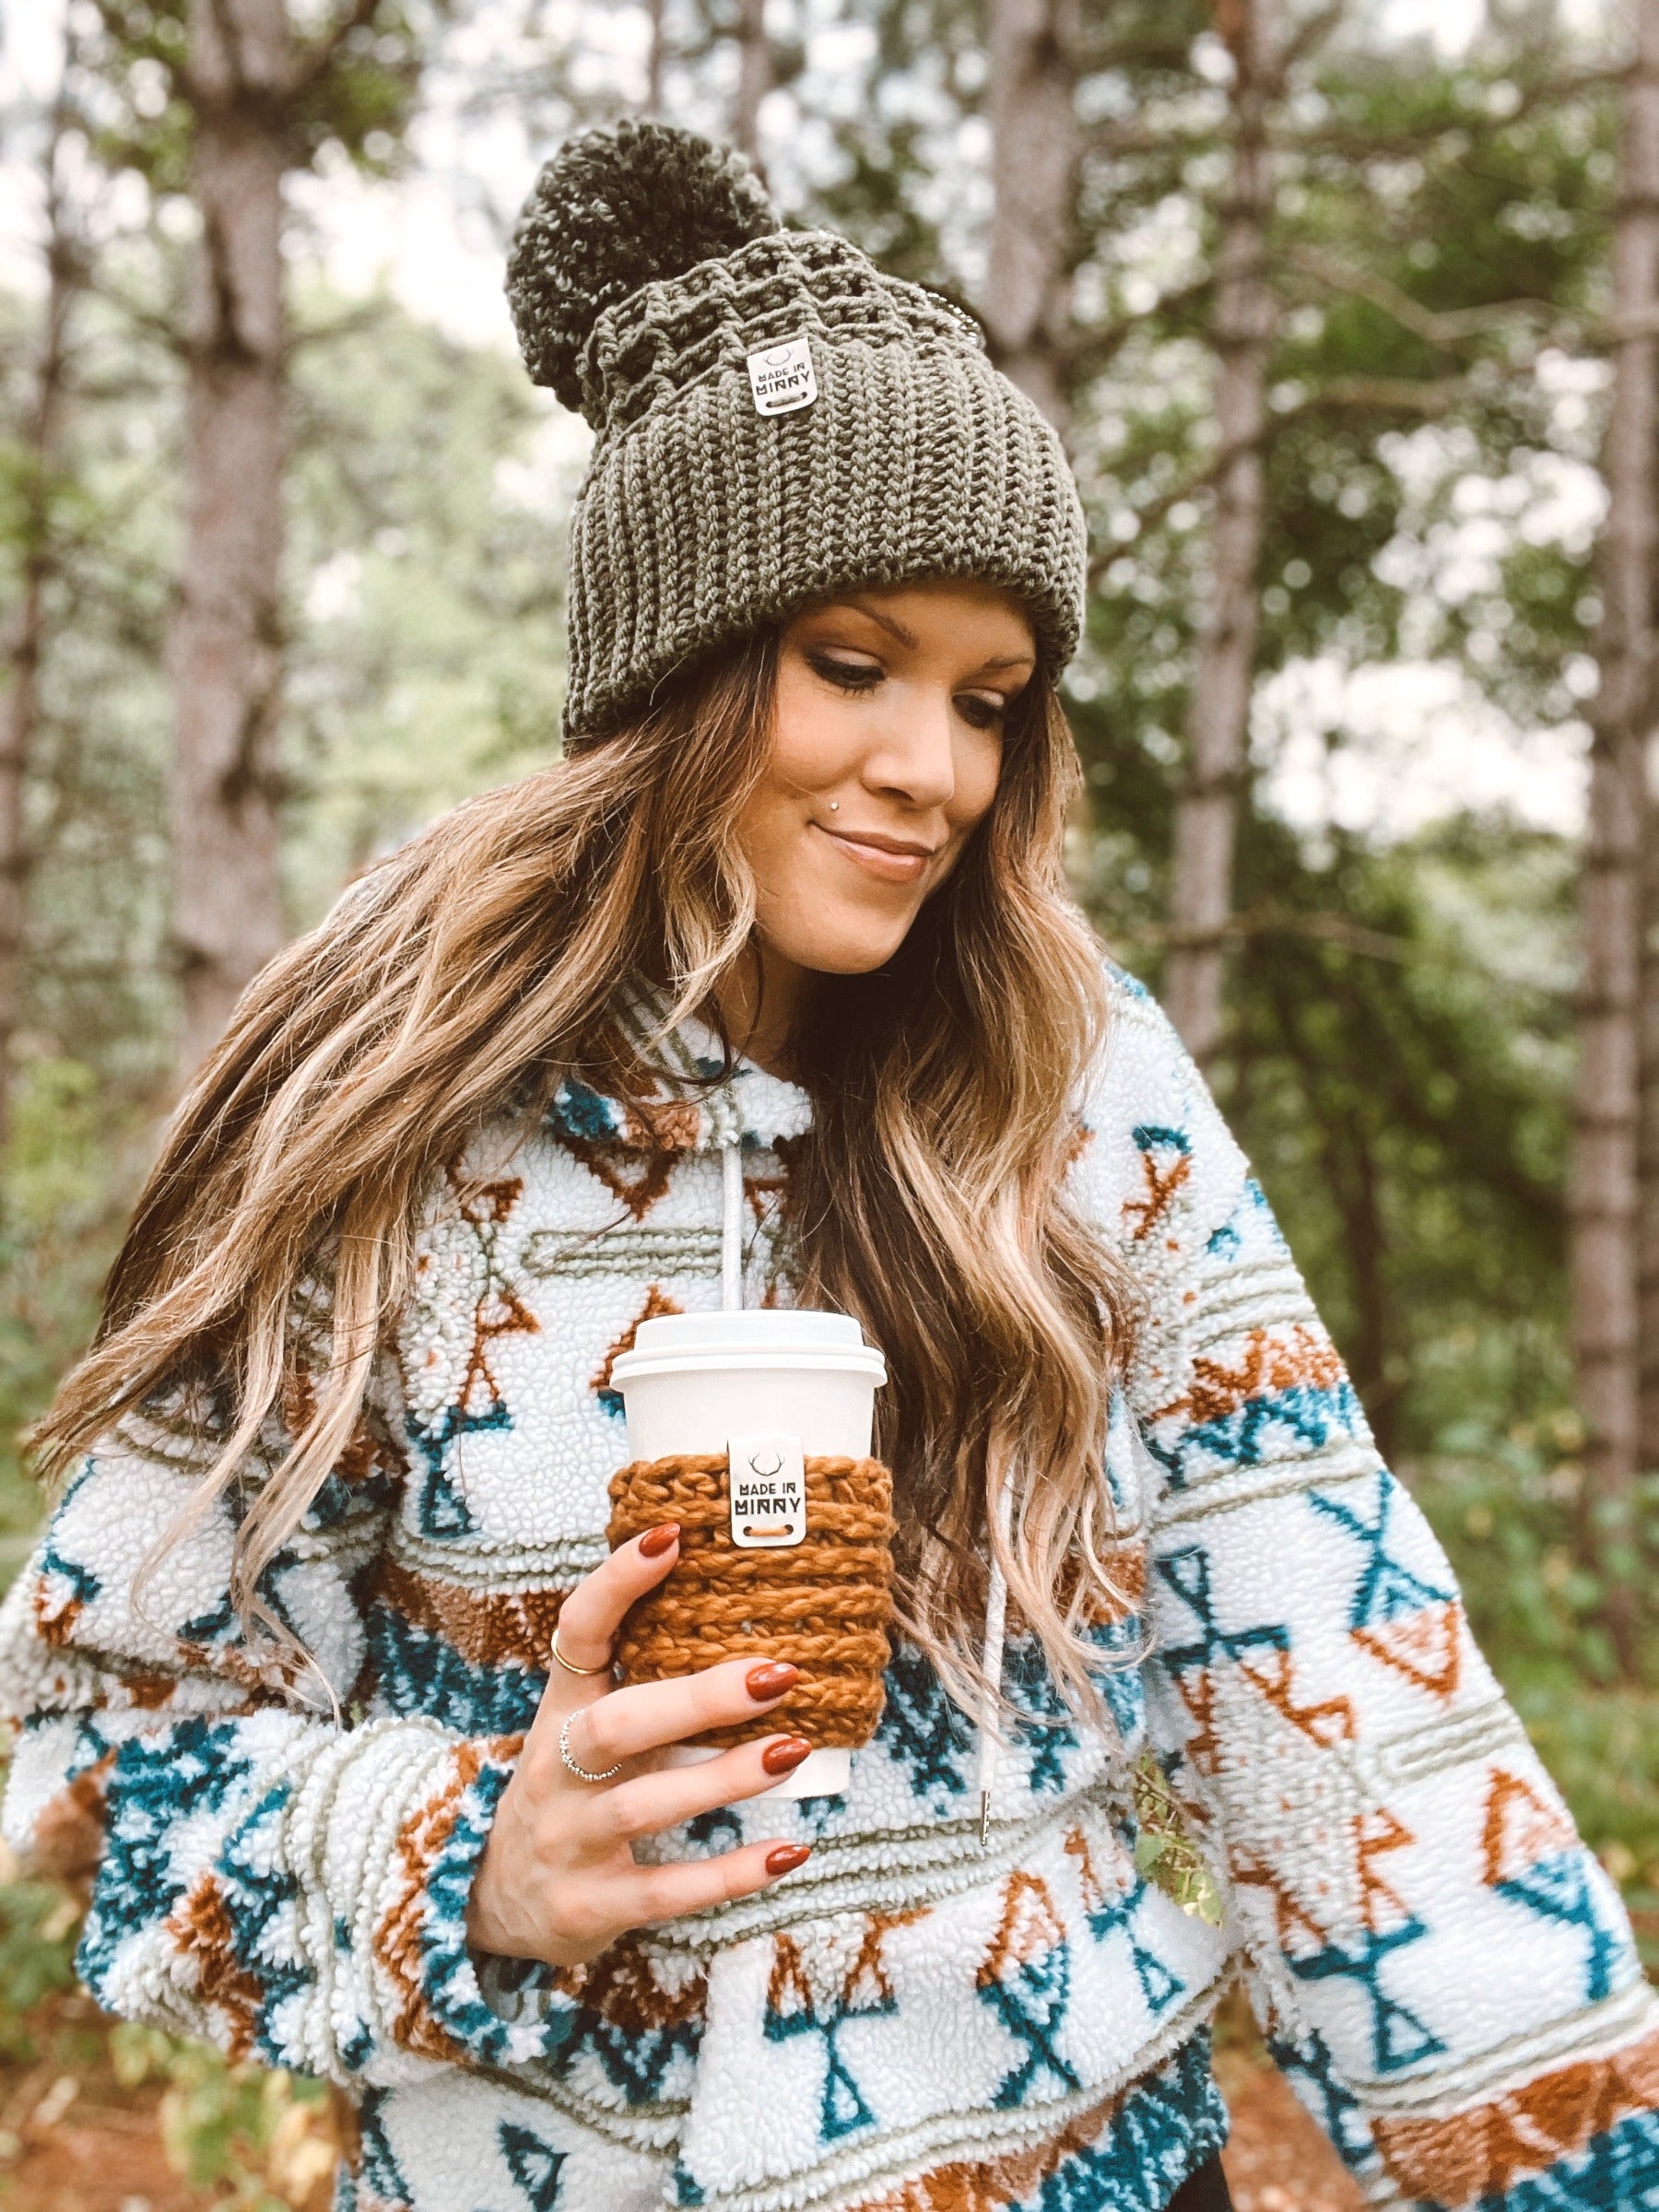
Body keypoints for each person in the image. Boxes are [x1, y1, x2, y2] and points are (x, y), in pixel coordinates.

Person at [0, 117, 1653, 2212]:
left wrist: (1580, 2170)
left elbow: (1334, 1679)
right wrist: (473, 1861)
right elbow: (99, 1750)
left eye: (991, 700)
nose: (932, 772)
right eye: (852, 667)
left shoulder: (1079, 1090)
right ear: (677, 672)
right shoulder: (393, 1119)